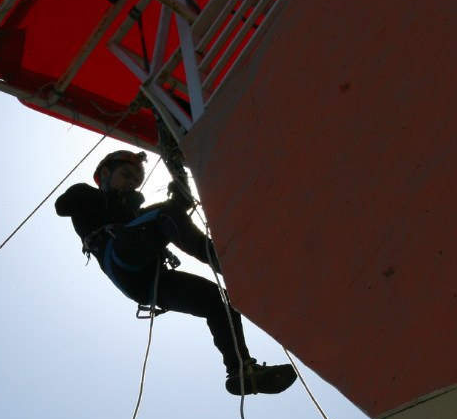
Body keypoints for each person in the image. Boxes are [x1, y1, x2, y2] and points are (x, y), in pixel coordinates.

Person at [55, 149, 297, 396]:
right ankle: (229, 265)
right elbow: (62, 206)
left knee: (219, 301)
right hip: (120, 257)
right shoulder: (88, 196)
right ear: (105, 173)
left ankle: (241, 372)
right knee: (165, 214)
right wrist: (113, 202)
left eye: (136, 181)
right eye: (126, 175)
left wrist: (179, 180)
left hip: (149, 284)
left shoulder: (133, 213)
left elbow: (176, 210)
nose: (131, 184)